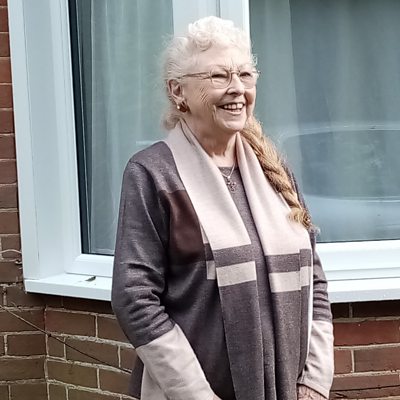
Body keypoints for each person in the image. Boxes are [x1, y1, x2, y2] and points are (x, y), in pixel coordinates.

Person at [112, 16, 334, 400]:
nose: (237, 89)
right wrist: (197, 395)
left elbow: (314, 280)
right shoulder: (153, 174)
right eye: (218, 76)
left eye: (245, 75)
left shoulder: (274, 170)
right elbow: (135, 299)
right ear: (178, 91)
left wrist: (314, 380)